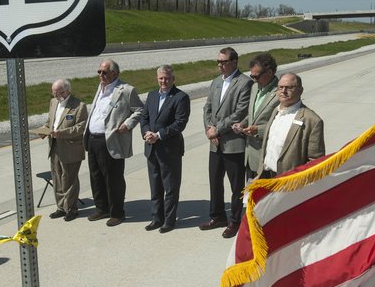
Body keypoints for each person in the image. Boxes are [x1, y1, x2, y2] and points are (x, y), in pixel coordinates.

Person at [200, 47, 253, 239]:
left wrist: (218, 129)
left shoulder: (245, 83)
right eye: (218, 62)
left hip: (233, 144)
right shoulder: (215, 82)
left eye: (223, 62)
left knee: (236, 186)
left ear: (234, 62)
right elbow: (207, 108)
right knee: (215, 182)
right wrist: (209, 129)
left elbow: (240, 112)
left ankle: (235, 221)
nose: (220, 65)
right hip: (215, 143)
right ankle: (217, 216)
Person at [83, 59, 144, 227]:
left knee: (113, 178)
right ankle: (102, 208)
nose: (100, 75)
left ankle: (117, 213)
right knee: (96, 176)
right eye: (99, 72)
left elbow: (140, 110)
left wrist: (127, 124)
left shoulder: (126, 90)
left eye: (104, 72)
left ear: (115, 73)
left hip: (111, 140)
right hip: (93, 139)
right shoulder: (100, 89)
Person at [140, 65, 191, 233]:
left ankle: (169, 221)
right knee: (155, 187)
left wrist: (159, 135)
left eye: (167, 78)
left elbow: (179, 123)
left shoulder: (180, 97)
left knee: (170, 188)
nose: (164, 81)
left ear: (173, 79)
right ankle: (157, 218)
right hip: (151, 149)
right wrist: (146, 132)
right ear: (157, 79)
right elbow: (144, 117)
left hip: (170, 150)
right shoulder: (152, 95)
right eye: (161, 78)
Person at [259, 72, 325, 179]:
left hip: (289, 182)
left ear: (300, 90)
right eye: (280, 87)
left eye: (289, 87)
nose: (283, 91)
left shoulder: (312, 120)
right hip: (266, 176)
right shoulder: (275, 111)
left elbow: (315, 161)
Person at [43, 79, 88, 222]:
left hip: (70, 148)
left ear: (66, 91)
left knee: (69, 179)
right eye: (53, 92)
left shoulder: (79, 106)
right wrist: (44, 130)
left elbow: (80, 128)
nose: (55, 95)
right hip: (55, 146)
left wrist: (61, 133)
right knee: (57, 178)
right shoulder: (53, 102)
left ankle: (72, 209)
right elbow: (50, 121)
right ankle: (61, 207)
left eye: (57, 93)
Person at [231, 53, 279, 179]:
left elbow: (282, 124)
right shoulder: (254, 87)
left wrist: (259, 130)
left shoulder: (281, 93)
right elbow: (252, 115)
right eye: (251, 76)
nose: (254, 79)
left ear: (269, 72)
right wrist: (243, 123)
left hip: (268, 158)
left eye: (256, 76)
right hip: (251, 157)